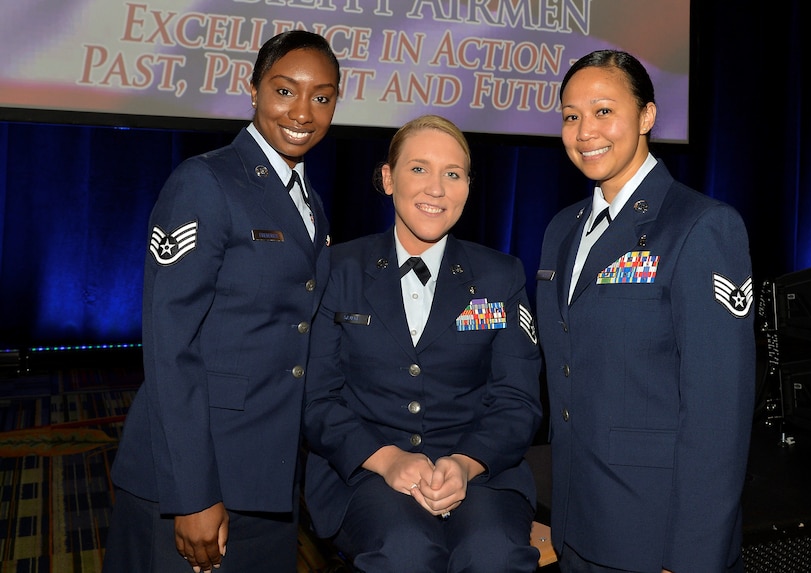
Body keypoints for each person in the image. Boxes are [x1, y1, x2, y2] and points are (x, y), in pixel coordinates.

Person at [102, 30, 339, 573]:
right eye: (285, 90)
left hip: (267, 476)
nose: (303, 111)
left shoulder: (308, 200)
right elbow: (170, 346)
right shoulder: (204, 182)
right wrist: (193, 494)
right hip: (197, 477)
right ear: (251, 90)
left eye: (322, 97)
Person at [535, 50, 755, 573]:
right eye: (571, 116)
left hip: (657, 538)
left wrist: (693, 556)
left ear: (648, 117)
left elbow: (718, 416)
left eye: (604, 111)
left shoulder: (701, 226)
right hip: (575, 526)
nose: (585, 130)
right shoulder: (560, 229)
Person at [302, 114, 543, 573]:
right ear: (388, 179)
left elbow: (517, 400)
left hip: (479, 471)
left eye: (452, 174)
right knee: (405, 551)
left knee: (494, 553)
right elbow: (316, 397)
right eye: (419, 169)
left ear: (468, 187)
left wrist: (468, 462)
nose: (436, 188)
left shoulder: (501, 275)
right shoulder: (338, 268)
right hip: (365, 471)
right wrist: (388, 460)